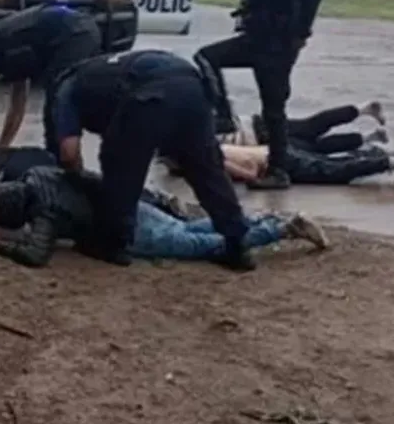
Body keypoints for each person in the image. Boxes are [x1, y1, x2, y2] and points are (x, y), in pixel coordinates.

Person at [43, 49, 253, 270]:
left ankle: (113, 243)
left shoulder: (65, 89)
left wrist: (76, 183)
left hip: (151, 94)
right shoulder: (100, 73)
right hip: (194, 89)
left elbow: (69, 152)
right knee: (208, 171)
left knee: (119, 164)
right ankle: (237, 244)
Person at [0, 166, 329, 268]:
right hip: (130, 206)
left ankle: (283, 229)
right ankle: (259, 218)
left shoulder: (44, 215)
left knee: (206, 245)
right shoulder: (39, 174)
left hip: (129, 233)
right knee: (188, 227)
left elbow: (35, 255)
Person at [196, 0, 322, 190]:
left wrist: (302, 33)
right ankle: (223, 115)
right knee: (207, 57)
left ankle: (279, 171)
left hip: (275, 48)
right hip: (255, 41)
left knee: (273, 111)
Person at [0, 4, 104, 148]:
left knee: (58, 104)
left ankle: (64, 162)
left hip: (74, 34)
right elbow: (17, 107)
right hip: (86, 28)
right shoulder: (13, 49)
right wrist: (2, 147)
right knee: (64, 102)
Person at [220, 142, 394, 191]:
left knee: (336, 172)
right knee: (333, 164)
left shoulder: (212, 155)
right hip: (275, 151)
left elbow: (250, 171)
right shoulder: (212, 145)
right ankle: (381, 157)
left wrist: (252, 180)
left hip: (276, 162)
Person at [222, 101, 388, 154]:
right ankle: (363, 111)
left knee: (314, 149)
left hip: (254, 140)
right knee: (310, 127)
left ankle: (370, 137)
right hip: (252, 124)